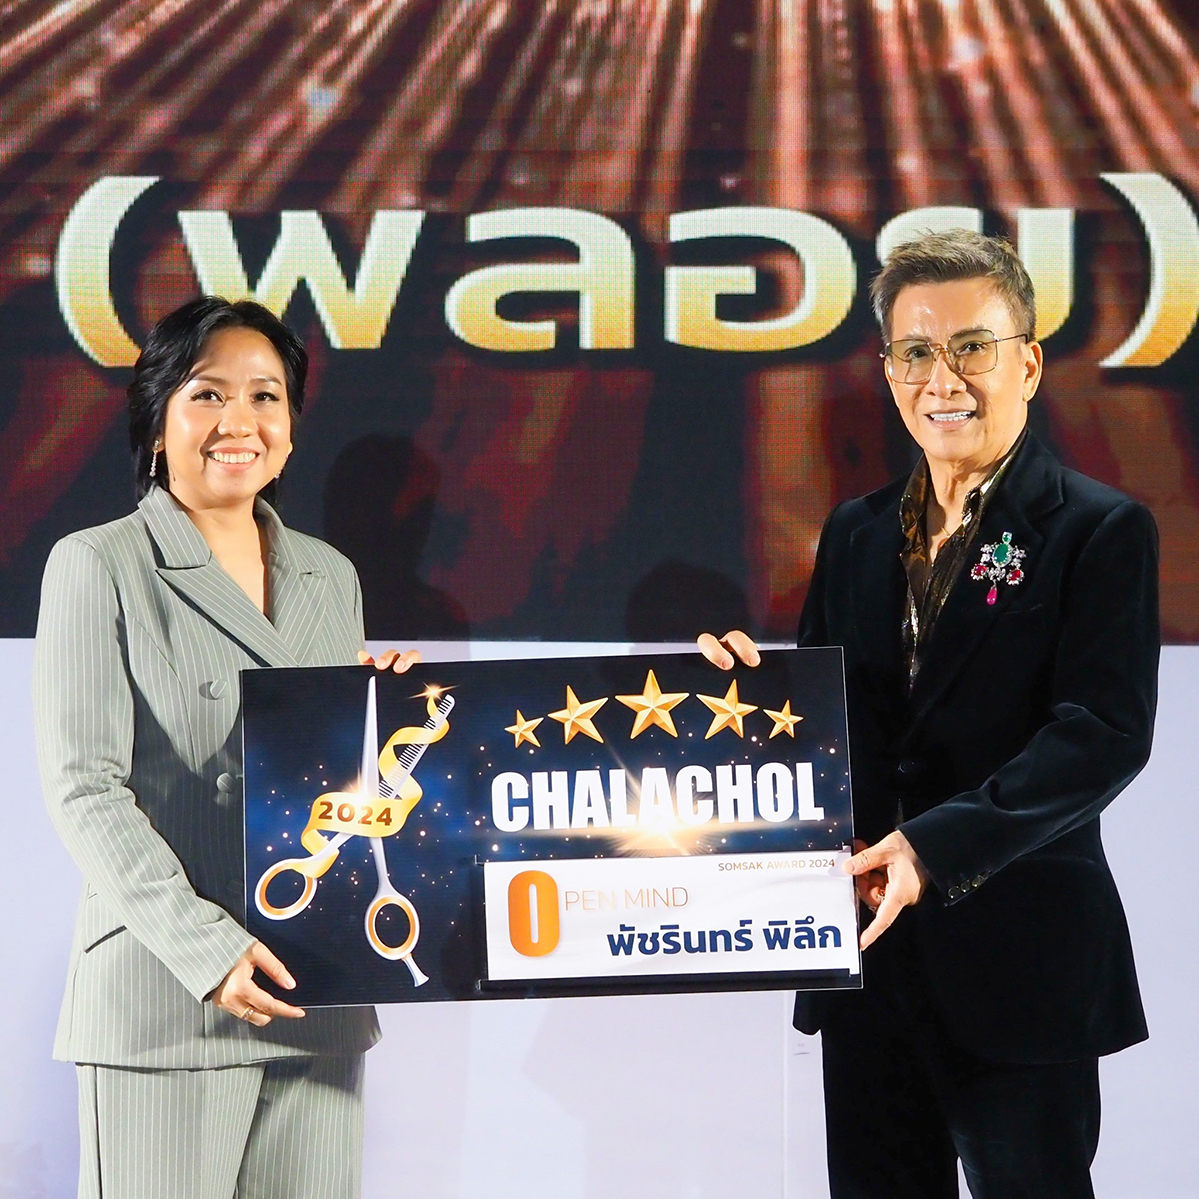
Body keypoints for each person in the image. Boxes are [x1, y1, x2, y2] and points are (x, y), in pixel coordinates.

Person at [699, 229, 1158, 1198]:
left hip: (1018, 968)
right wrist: (744, 698)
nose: (941, 379)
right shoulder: (854, 532)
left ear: (1026, 363)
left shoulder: (1097, 528)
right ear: (887, 369)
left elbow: (1101, 734)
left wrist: (931, 847)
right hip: (865, 960)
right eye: (914, 351)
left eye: (971, 347)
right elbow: (826, 729)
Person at [33, 297, 420, 1199]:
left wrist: (391, 716)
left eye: (265, 396)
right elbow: (85, 787)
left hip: (314, 993)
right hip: (167, 994)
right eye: (207, 394)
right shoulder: (98, 563)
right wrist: (207, 952)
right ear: (156, 421)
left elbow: (332, 783)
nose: (239, 421)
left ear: (289, 427)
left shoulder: (329, 575)